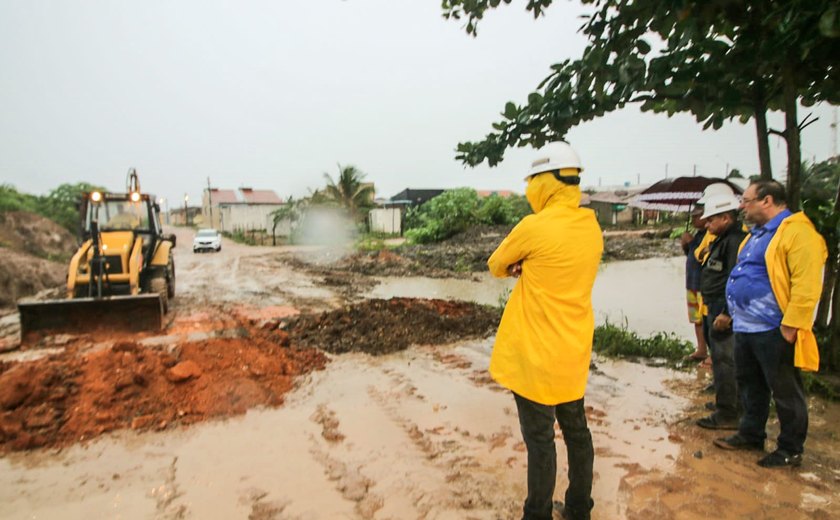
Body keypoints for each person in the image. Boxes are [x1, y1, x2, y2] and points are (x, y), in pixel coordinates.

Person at [487, 142, 603, 520]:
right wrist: (530, 265)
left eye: (533, 180)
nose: (529, 189)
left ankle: (536, 514)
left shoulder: (534, 227)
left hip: (537, 354)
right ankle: (578, 509)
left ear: (546, 183)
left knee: (540, 441)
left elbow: (496, 264)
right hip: (572, 350)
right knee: (577, 433)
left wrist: (518, 265)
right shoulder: (591, 226)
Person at [715, 180, 827, 468]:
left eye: (747, 200)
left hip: (774, 327)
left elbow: (808, 283)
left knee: (785, 390)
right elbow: (742, 275)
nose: (742, 206)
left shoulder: (798, 233)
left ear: (767, 201)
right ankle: (751, 433)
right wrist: (730, 312)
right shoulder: (754, 235)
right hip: (746, 326)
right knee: (750, 384)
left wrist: (793, 324)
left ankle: (790, 448)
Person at [695, 192, 746, 430]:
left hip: (724, 309)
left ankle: (728, 414)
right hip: (714, 305)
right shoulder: (722, 240)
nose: (707, 224)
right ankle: (728, 404)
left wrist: (727, 312)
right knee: (720, 358)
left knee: (726, 361)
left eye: (711, 220)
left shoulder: (735, 241)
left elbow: (735, 279)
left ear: (725, 218)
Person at [680, 206, 709, 364]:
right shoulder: (697, 235)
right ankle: (701, 349)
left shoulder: (710, 236)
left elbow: (703, 256)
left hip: (703, 284)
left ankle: (712, 353)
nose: (693, 220)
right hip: (691, 282)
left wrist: (691, 243)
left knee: (707, 319)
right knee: (696, 319)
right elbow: (691, 255)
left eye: (696, 217)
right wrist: (686, 245)